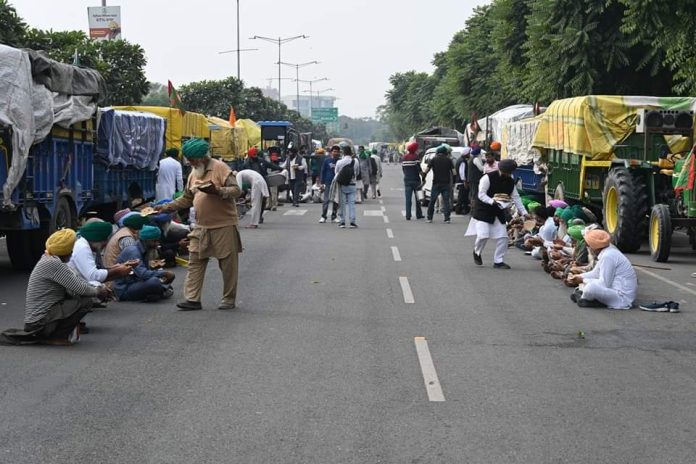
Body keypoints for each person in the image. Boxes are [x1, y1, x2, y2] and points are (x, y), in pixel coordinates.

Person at [157, 138, 242, 311]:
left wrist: (217, 191)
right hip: (200, 226)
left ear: (203, 157)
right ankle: (192, 299)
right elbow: (187, 198)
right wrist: (166, 207)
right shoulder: (194, 173)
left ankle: (228, 298)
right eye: (189, 159)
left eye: (193, 159)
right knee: (195, 260)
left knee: (227, 265)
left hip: (223, 225)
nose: (190, 163)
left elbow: (236, 191)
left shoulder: (221, 168)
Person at [0, 229, 112, 346]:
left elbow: (76, 283)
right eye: (71, 248)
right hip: (39, 323)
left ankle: (54, 333)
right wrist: (99, 291)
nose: (73, 251)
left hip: (39, 320)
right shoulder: (54, 264)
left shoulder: (49, 258)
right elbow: (81, 288)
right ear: (66, 250)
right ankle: (56, 336)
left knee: (83, 297)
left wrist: (98, 290)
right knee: (86, 301)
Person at [466, 159, 528, 269]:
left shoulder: (510, 181)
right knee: (483, 235)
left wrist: (524, 213)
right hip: (483, 210)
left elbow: (516, 197)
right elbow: (481, 195)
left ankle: (498, 261)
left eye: (509, 173)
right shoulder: (487, 178)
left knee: (503, 237)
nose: (507, 174)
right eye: (505, 172)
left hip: (498, 211)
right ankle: (477, 252)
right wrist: (492, 201)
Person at [567, 229, 637, 309]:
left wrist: (582, 280)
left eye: (588, 245)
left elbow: (604, 283)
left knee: (590, 287)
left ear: (594, 246)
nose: (587, 248)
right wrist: (579, 276)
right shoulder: (607, 253)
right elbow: (595, 273)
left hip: (622, 298)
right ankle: (585, 298)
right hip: (614, 290)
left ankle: (584, 298)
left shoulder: (608, 256)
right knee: (585, 285)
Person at [113, 225, 175, 302]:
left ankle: (155, 292)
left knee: (159, 282)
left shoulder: (144, 249)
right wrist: (164, 273)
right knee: (155, 282)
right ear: (145, 240)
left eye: (157, 241)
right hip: (124, 288)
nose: (156, 244)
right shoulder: (133, 251)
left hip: (135, 282)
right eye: (154, 241)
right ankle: (159, 291)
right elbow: (143, 274)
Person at [70, 219, 134, 285]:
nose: (106, 244)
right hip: (77, 287)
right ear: (99, 239)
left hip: (83, 283)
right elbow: (93, 276)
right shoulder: (82, 247)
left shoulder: (91, 246)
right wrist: (118, 270)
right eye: (105, 240)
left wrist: (117, 267)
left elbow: (99, 269)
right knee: (96, 284)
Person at [422, 144, 456, 224]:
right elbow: (454, 173)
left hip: (436, 183)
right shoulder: (448, 160)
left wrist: (423, 179)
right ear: (445, 152)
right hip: (446, 183)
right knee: (446, 201)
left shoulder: (433, 159)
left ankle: (429, 218)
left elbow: (426, 171)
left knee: (432, 201)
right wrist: (453, 182)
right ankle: (447, 218)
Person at [335, 144, 359, 228]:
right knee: (352, 204)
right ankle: (352, 221)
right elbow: (357, 172)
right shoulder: (355, 161)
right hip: (352, 184)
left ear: (343, 153)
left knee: (342, 203)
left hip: (342, 185)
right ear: (351, 152)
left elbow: (336, 173)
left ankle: (342, 222)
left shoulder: (339, 162)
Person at [402, 141, 424, 221]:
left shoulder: (404, 157)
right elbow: (419, 169)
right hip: (416, 181)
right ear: (415, 149)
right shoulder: (416, 157)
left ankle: (408, 215)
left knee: (408, 199)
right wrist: (423, 176)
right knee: (418, 198)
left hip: (407, 180)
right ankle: (419, 214)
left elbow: (403, 169)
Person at [319, 145, 341, 223]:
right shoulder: (326, 161)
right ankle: (323, 216)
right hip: (328, 183)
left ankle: (334, 216)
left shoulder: (340, 161)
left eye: (337, 151)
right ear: (331, 152)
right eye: (334, 151)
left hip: (337, 183)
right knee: (326, 200)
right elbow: (323, 171)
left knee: (336, 200)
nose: (335, 153)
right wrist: (321, 183)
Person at [455, 147, 472, 214]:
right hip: (462, 182)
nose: (469, 154)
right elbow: (462, 172)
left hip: (461, 181)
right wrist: (464, 181)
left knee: (464, 196)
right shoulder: (462, 161)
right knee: (461, 196)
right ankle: (458, 209)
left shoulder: (460, 160)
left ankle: (465, 209)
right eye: (469, 153)